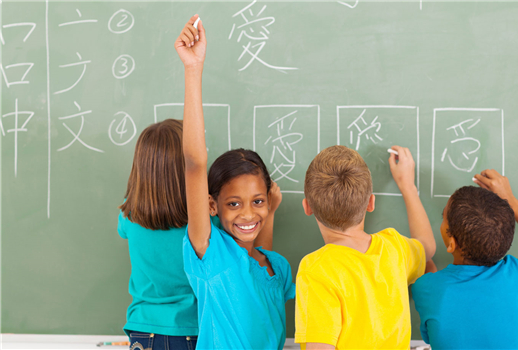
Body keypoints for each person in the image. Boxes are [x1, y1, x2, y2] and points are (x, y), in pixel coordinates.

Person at [174, 15, 295, 350]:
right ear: (212, 205)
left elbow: (259, 252)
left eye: (257, 201)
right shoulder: (211, 252)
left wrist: (267, 212)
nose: (246, 214)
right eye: (233, 203)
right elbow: (195, 165)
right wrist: (193, 69)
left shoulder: (278, 268)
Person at [295, 145, 436, 349]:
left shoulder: (316, 270)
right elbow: (428, 247)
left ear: (307, 207)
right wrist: (407, 186)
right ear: (371, 203)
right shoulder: (394, 248)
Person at [412, 169, 518, 350]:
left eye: (443, 216)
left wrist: (408, 187)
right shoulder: (516, 277)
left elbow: (438, 290)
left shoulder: (426, 287)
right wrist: (512, 201)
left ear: (451, 244)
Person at [118, 119, 198, 350]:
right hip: (189, 328)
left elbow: (123, 232)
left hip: (143, 328)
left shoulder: (128, 213)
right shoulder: (204, 217)